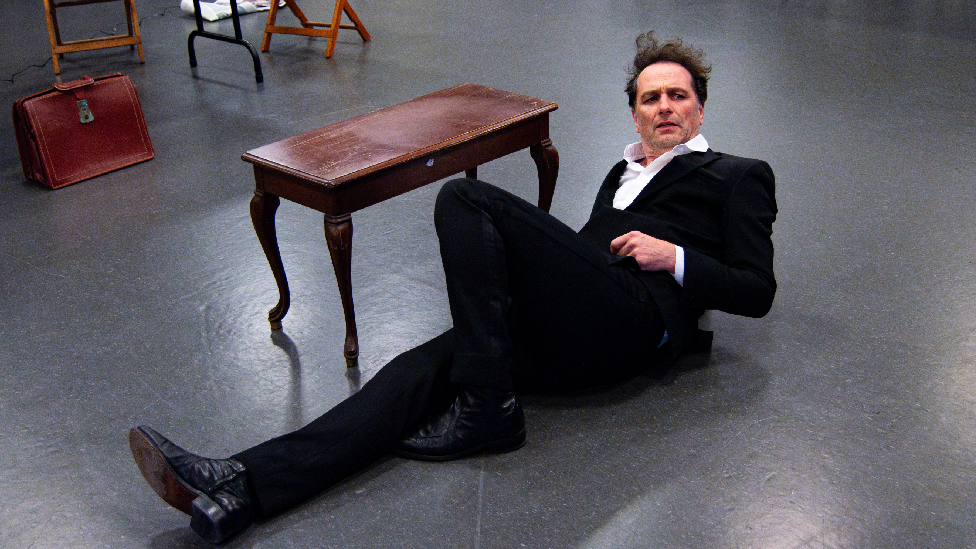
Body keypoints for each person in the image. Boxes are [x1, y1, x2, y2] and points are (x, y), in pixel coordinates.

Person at [129, 31, 777, 544]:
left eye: (678, 96)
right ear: (634, 113)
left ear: (700, 105)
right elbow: (579, 252)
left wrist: (677, 256)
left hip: (636, 318)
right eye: (650, 98)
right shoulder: (621, 171)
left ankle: (491, 407)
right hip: (583, 314)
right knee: (421, 367)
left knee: (466, 197)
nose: (664, 107)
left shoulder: (738, 175)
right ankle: (242, 484)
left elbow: (757, 288)